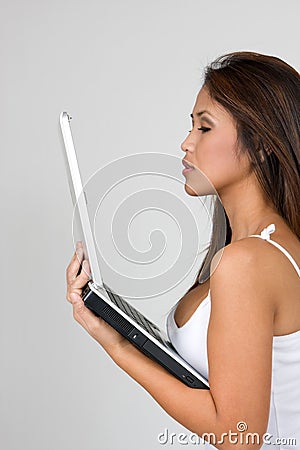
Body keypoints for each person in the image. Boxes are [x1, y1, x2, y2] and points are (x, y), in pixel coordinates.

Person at [66, 52, 300, 449]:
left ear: (260, 145)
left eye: (205, 128)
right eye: (190, 125)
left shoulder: (249, 262)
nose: (186, 143)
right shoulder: (259, 251)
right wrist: (112, 333)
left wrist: (121, 347)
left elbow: (237, 436)